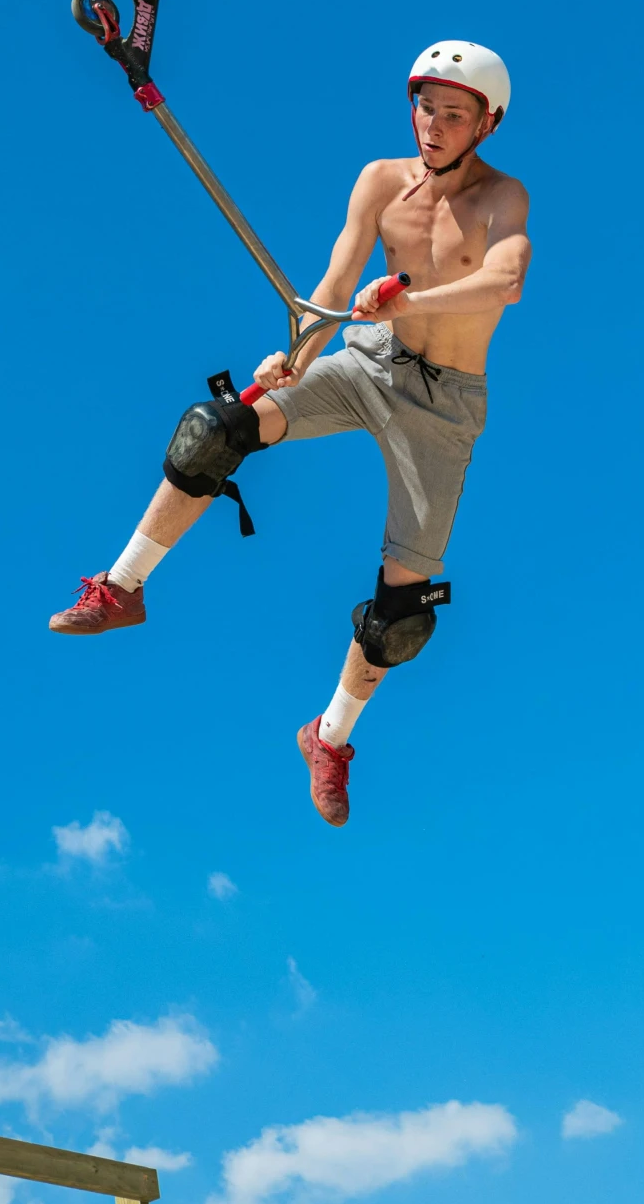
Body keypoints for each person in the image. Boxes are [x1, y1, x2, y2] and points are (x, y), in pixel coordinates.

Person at [49, 41, 532, 828]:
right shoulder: (381, 181)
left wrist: (409, 302)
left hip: (443, 405)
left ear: (487, 123)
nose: (432, 125)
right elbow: (333, 289)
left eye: (453, 114)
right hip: (368, 360)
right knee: (218, 427)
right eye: (425, 106)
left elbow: (506, 279)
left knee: (400, 615)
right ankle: (122, 586)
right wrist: (293, 354)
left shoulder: (501, 197)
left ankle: (329, 737)